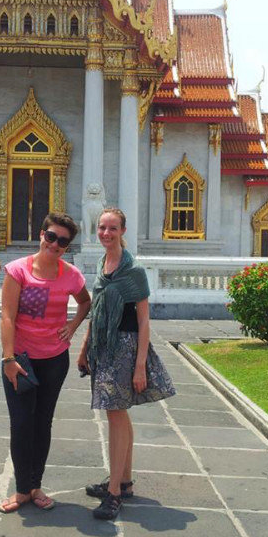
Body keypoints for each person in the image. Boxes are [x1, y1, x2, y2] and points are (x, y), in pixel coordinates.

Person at [77, 208, 176, 520]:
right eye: (102, 228)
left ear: (123, 231)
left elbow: (144, 321)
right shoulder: (101, 263)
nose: (106, 233)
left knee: (116, 414)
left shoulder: (134, 271)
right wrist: (83, 347)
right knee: (116, 415)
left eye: (113, 228)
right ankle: (124, 480)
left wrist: (139, 366)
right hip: (103, 348)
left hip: (125, 348)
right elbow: (97, 309)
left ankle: (115, 493)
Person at [0, 213, 91, 513]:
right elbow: (8, 316)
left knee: (42, 423)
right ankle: (22, 489)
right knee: (21, 424)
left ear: (67, 247)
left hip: (54, 359)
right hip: (21, 361)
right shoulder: (17, 271)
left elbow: (86, 301)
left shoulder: (71, 275)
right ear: (41, 234)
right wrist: (9, 358)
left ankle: (35, 486)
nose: (55, 244)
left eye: (62, 241)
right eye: (51, 237)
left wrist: (73, 326)